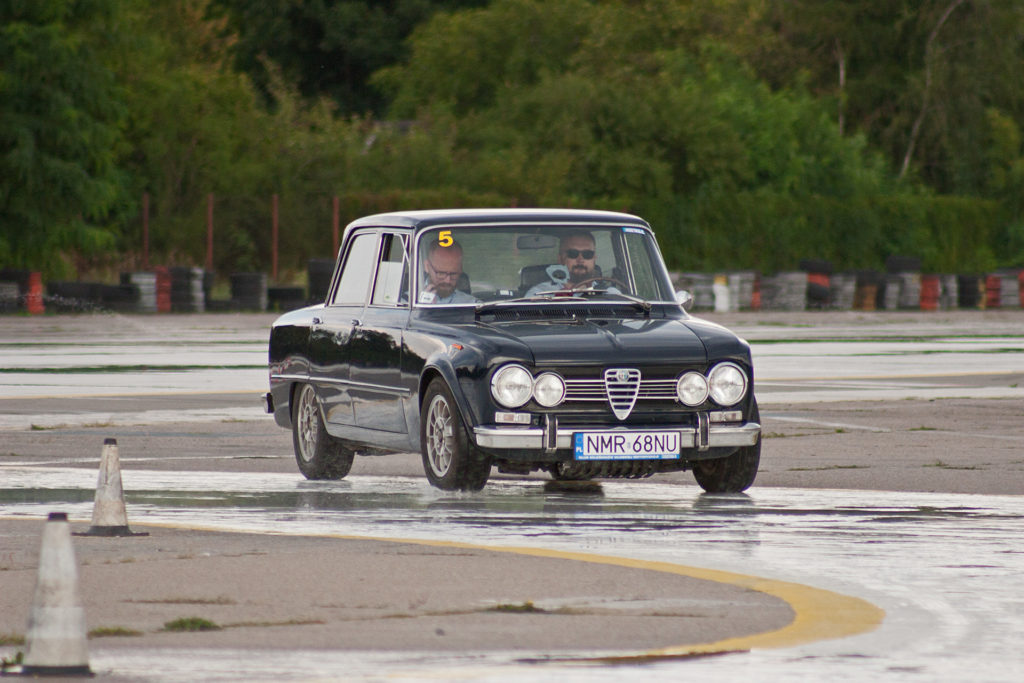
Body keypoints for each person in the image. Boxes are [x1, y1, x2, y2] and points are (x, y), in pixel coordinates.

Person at [526, 230, 618, 296]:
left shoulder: (610, 294)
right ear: (560, 259)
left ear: (594, 258)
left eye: (587, 254)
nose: (580, 259)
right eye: (573, 254)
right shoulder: (539, 294)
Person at [419, 238, 477, 304]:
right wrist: (421, 310)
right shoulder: (407, 303)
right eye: (441, 273)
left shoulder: (471, 304)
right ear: (427, 266)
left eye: (453, 274)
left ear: (460, 270)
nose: (447, 280)